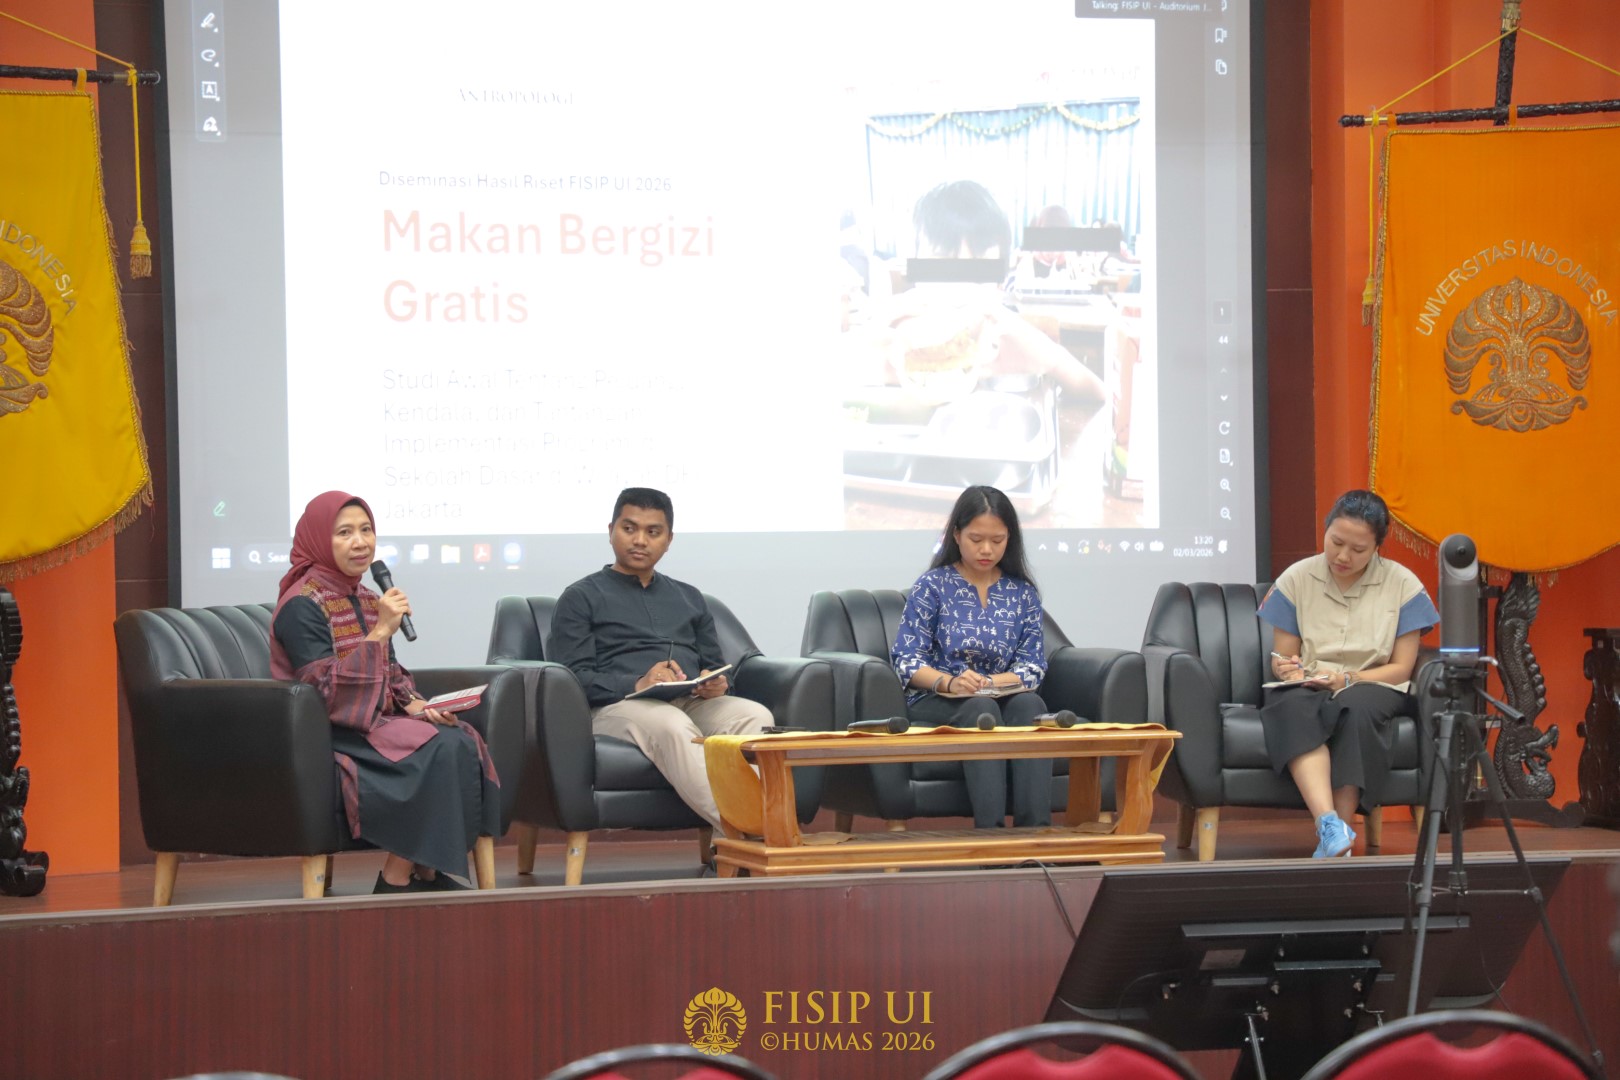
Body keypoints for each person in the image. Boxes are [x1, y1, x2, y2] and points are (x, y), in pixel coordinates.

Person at [270, 491, 500, 894]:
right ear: (319, 540)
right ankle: (395, 877)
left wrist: (423, 707)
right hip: (329, 731)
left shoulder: (367, 597)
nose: (360, 542)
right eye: (344, 533)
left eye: (366, 530)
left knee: (459, 738)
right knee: (439, 747)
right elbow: (322, 694)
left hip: (371, 722)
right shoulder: (301, 605)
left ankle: (426, 871)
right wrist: (380, 630)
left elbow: (392, 677)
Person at [550, 487, 771, 830]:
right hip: (615, 707)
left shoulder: (689, 596)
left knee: (755, 717)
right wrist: (638, 683)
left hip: (689, 700)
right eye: (629, 528)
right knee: (671, 725)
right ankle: (751, 832)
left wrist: (716, 683)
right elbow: (572, 678)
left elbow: (714, 665)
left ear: (668, 540)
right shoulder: (580, 597)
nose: (640, 540)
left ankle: (739, 840)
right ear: (611, 530)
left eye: (653, 532)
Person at [1258, 489, 1440, 858]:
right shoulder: (1296, 578)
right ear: (1325, 530)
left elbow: (1402, 668)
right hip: (1312, 680)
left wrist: (1348, 679)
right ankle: (1329, 826)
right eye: (1336, 542)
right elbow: (1284, 656)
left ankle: (1342, 835)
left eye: (1358, 550)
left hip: (1374, 682)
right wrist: (1286, 668)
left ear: (1377, 548)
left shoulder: (1403, 585)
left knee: (1355, 707)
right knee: (1291, 704)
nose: (1343, 556)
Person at [890, 485, 1056, 828]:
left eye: (997, 540)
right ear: (956, 535)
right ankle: (991, 837)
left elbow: (1032, 665)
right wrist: (950, 683)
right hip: (938, 697)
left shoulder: (1022, 593)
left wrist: (990, 682)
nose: (986, 549)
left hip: (998, 692)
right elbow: (906, 660)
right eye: (976, 539)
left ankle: (1035, 836)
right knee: (981, 709)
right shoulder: (932, 586)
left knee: (1031, 705)